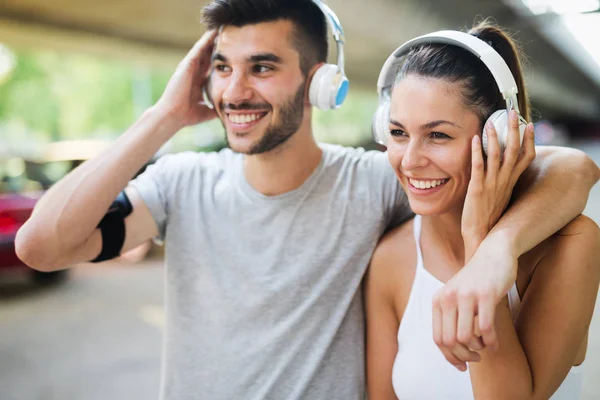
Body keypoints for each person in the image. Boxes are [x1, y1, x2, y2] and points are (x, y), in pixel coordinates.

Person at [15, 1, 599, 399]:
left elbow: (572, 168)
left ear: (321, 80)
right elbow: (41, 246)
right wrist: (163, 115)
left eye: (262, 67)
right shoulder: (180, 182)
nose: (235, 90)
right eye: (222, 68)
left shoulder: (372, 183)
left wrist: (494, 250)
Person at [365, 22, 600, 400]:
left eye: (438, 135)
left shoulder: (570, 246)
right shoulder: (390, 259)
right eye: (397, 133)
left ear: (500, 138)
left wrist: (480, 244)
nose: (409, 161)